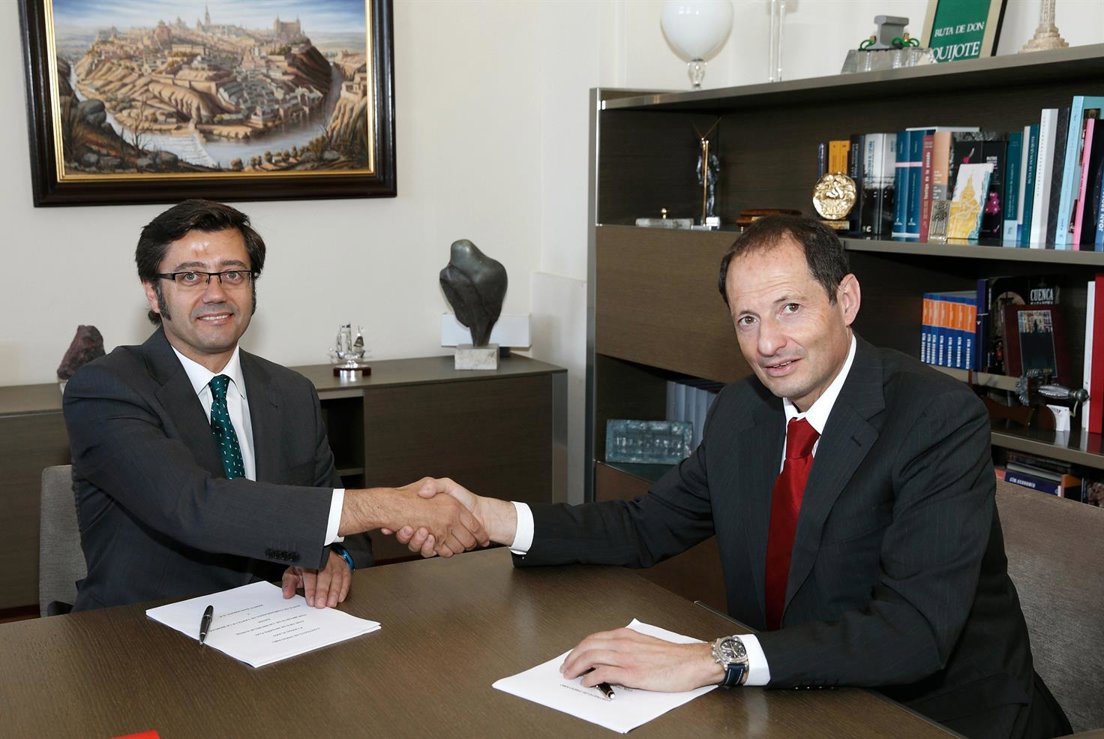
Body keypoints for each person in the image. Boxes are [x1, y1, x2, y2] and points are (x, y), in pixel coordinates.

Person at [394, 215, 1070, 738]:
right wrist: (492, 517)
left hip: (935, 716)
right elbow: (644, 525)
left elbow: (914, 631)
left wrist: (713, 658)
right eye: (747, 319)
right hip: (801, 701)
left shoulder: (936, 417)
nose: (767, 343)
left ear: (846, 299)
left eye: (789, 308)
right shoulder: (744, 412)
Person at [63, 199, 486, 613]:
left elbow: (343, 529)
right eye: (190, 276)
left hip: (276, 625)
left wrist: (333, 558)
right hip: (140, 632)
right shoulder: (105, 389)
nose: (216, 293)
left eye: (233, 274)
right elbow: (194, 507)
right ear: (154, 294)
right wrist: (390, 505)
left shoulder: (291, 392)